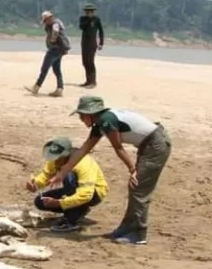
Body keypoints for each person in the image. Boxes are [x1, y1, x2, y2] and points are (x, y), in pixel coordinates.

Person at [50, 96, 172, 245]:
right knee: (136, 187)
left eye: (82, 115)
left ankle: (138, 233)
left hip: (155, 145)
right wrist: (62, 173)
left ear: (90, 113)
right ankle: (127, 228)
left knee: (138, 188)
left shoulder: (106, 120)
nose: (81, 119)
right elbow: (84, 149)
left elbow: (118, 147)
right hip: (149, 145)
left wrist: (132, 169)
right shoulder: (101, 122)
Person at [25, 136, 108, 233]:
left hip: (94, 193)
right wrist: (36, 184)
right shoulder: (55, 160)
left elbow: (86, 195)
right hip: (73, 190)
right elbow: (46, 175)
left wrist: (60, 203)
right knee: (40, 201)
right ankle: (79, 210)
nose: (54, 161)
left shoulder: (83, 163)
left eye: (57, 158)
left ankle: (70, 221)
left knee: (69, 176)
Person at [25, 10, 71, 97]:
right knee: (57, 69)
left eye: (46, 20)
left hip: (55, 49)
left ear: (50, 18)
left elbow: (55, 34)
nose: (45, 22)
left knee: (44, 68)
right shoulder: (56, 23)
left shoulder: (55, 24)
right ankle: (60, 89)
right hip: (59, 49)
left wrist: (52, 42)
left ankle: (36, 87)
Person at [78, 3, 104, 88]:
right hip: (84, 43)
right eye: (87, 12)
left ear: (93, 12)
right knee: (85, 62)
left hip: (92, 44)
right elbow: (81, 27)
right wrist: (88, 20)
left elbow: (101, 31)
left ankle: (93, 82)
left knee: (90, 62)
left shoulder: (97, 19)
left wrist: (101, 43)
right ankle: (88, 81)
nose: (89, 13)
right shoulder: (83, 19)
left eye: (90, 12)